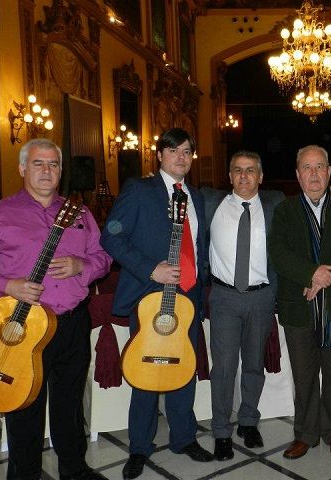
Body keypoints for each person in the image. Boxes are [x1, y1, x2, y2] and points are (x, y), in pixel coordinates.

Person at [0, 138, 112, 480]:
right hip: (22, 329)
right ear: (21, 168)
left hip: (72, 324)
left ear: (61, 171)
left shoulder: (80, 214)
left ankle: (74, 470)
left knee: (69, 406)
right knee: (23, 408)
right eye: (38, 163)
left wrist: (81, 266)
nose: (47, 171)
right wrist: (9, 285)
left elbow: (103, 258)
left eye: (54, 165)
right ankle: (24, 474)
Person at [100, 128, 213, 479]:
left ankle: (183, 437)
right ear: (160, 155)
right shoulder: (140, 190)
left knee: (184, 369)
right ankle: (139, 447)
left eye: (187, 151)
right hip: (150, 297)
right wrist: (152, 269)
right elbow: (111, 237)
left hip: (190, 296)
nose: (182, 157)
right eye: (174, 150)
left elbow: (200, 244)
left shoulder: (197, 195)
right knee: (147, 368)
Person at [267, 145, 331, 460]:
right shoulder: (284, 211)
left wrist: (327, 278)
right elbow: (279, 254)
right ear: (297, 175)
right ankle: (305, 434)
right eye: (307, 168)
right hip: (299, 308)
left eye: (319, 166)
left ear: (329, 171)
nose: (313, 174)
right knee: (304, 374)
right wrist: (313, 274)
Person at [201, 150, 285, 460]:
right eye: (238, 170)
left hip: (262, 296)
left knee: (253, 364)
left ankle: (248, 422)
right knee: (223, 367)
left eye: (251, 170)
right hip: (223, 297)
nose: (244, 176)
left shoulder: (276, 203)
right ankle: (221, 430)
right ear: (229, 175)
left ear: (261, 176)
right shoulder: (211, 202)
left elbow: (310, 200)